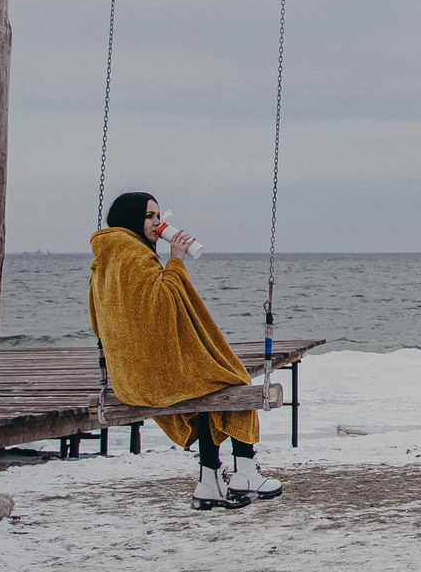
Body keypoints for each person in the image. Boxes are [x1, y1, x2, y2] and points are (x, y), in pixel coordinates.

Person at [89, 191, 284, 509]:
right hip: (151, 381)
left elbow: (99, 323)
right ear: (131, 218)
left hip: (127, 379)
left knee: (210, 388)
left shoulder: (105, 260)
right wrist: (175, 259)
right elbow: (162, 307)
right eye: (150, 216)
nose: (157, 222)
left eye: (157, 215)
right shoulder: (134, 255)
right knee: (230, 378)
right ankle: (245, 468)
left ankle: (209, 483)